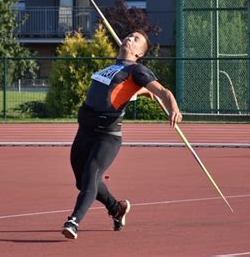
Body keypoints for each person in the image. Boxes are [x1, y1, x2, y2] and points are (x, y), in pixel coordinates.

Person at [61, 30, 182, 239]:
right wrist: (142, 92)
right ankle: (117, 209)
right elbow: (120, 90)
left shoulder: (137, 70)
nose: (129, 38)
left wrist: (173, 107)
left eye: (136, 39)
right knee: (82, 182)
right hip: (85, 132)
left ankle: (74, 221)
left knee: (91, 175)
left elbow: (163, 91)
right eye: (129, 35)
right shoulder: (113, 69)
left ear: (139, 54)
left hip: (106, 136)